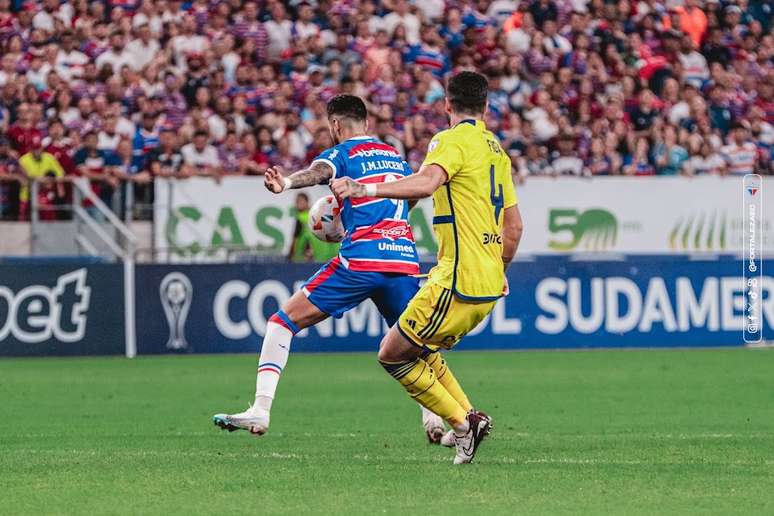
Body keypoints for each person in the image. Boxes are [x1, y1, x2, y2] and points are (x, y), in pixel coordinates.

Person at [213, 95, 448, 442]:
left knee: (281, 322)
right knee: (415, 344)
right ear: (367, 123)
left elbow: (319, 173)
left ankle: (260, 410)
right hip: (402, 259)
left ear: (335, 126)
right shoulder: (395, 157)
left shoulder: (342, 154)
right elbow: (410, 197)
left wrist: (287, 184)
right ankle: (439, 422)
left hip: (362, 260)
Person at [332, 72, 524, 464]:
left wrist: (364, 189)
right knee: (421, 350)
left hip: (457, 278)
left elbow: (425, 183)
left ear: (447, 106)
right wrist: (499, 267)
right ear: (487, 107)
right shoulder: (496, 150)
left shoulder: (449, 141)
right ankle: (467, 420)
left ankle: (462, 423)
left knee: (393, 354)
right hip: (488, 281)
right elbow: (515, 227)